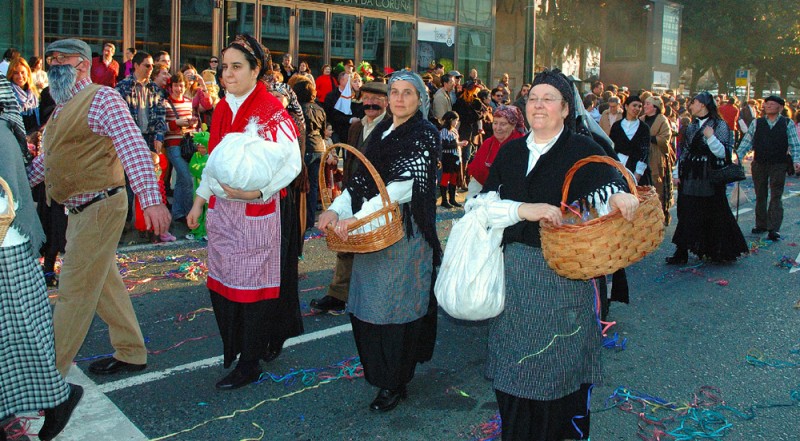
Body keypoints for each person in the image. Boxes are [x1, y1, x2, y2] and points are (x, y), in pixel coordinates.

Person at [476, 68, 638, 441]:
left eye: (549, 99)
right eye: (533, 98)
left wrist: (618, 196)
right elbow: (483, 205)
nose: (538, 105)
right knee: (513, 373)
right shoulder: (513, 150)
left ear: (566, 108)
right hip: (513, 277)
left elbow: (609, 185)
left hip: (564, 280)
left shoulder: (583, 150)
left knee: (558, 379)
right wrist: (522, 210)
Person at [27, 38, 171, 377]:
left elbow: (133, 147)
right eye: (49, 62)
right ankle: (132, 350)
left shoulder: (102, 98)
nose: (51, 69)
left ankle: (48, 378)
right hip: (79, 212)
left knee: (74, 292)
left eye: (58, 61)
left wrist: (151, 201)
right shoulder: (63, 108)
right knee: (105, 285)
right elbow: (47, 163)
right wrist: (17, 184)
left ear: (79, 65)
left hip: (100, 207)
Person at [317, 70, 442, 412]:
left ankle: (394, 380)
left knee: (397, 309)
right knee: (368, 306)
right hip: (372, 234)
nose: (399, 99)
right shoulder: (380, 132)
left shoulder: (425, 134)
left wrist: (358, 218)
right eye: (395, 92)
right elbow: (359, 182)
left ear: (420, 100)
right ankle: (382, 372)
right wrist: (338, 210)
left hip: (403, 233)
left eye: (407, 93)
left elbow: (403, 187)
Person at [186, 34, 302, 390]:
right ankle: (234, 349)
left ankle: (250, 361)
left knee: (251, 291)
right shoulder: (222, 108)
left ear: (256, 71)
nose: (227, 74)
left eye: (237, 67)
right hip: (223, 213)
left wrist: (259, 190)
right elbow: (214, 161)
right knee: (223, 286)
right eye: (224, 67)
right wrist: (199, 200)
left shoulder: (271, 110)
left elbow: (293, 161)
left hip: (255, 211)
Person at [0, 114, 83, 441]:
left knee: (18, 334)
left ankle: (57, 399)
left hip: (8, 246)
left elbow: (9, 195)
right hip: (11, 243)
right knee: (16, 337)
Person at [311, 80, 389, 313]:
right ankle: (338, 295)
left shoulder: (391, 127)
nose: (371, 103)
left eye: (377, 99)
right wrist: (345, 193)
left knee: (374, 247)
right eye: (367, 98)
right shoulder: (356, 127)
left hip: (377, 198)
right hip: (353, 193)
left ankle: (373, 296)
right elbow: (352, 160)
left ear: (387, 102)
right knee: (345, 243)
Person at [667, 91, 748, 264]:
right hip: (691, 172)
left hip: (709, 174)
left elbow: (723, 153)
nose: (690, 106)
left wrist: (710, 138)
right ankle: (681, 251)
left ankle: (716, 249)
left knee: (714, 211)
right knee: (686, 210)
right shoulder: (692, 126)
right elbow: (685, 152)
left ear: (703, 104)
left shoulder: (720, 125)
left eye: (694, 102)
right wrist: (676, 173)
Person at [736, 95, 800, 241]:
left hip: (779, 163)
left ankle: (774, 228)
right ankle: (761, 224)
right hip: (759, 162)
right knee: (760, 194)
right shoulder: (757, 123)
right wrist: (738, 157)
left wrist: (797, 160)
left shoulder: (787, 123)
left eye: (772, 104)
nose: (768, 106)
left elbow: (795, 144)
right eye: (767, 104)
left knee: (776, 195)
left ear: (780, 108)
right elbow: (747, 141)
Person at [466, 105, 526, 198]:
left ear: (513, 125)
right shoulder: (488, 143)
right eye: (495, 123)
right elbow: (477, 174)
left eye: (503, 124)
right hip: (483, 190)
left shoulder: (521, 145)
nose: (497, 128)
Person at [292, 78, 326, 234]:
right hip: (319, 146)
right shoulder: (320, 109)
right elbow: (324, 129)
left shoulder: (298, 109)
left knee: (300, 185)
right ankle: (310, 221)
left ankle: (300, 220)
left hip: (305, 147)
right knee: (312, 187)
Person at [164, 72, 199, 226]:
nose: (179, 89)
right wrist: (176, 123)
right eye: (176, 85)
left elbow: (192, 126)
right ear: (171, 87)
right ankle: (188, 212)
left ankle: (178, 212)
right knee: (187, 178)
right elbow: (162, 127)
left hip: (186, 144)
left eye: (182, 85)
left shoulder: (188, 102)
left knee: (180, 180)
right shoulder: (164, 103)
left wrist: (191, 123)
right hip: (172, 145)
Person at [642, 96, 674, 224]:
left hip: (656, 156)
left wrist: (649, 137)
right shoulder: (642, 119)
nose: (644, 106)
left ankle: (658, 215)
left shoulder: (662, 120)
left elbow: (665, 138)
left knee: (656, 184)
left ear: (655, 107)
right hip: (643, 155)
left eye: (647, 104)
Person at [609, 95, 652, 185]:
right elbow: (611, 147)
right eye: (634, 105)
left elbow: (645, 151)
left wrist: (638, 173)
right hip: (619, 165)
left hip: (636, 167)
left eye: (639, 106)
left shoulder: (644, 128)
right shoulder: (616, 126)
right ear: (626, 106)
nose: (637, 108)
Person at [438, 111, 468, 208]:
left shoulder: (454, 130)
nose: (456, 122)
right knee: (445, 177)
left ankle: (452, 199)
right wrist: (458, 144)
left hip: (456, 157)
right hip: (447, 157)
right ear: (451, 120)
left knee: (454, 177)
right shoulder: (443, 131)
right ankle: (444, 199)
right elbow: (444, 145)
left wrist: (460, 144)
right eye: (455, 120)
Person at [6, 57, 40, 134]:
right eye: (16, 73)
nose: (20, 76)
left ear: (28, 73)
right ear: (11, 74)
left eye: (22, 72)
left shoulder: (34, 94)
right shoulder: (7, 95)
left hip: (34, 138)